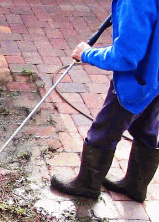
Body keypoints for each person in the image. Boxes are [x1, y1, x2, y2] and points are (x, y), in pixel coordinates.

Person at [51, 0, 159, 203]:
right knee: (147, 129)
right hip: (156, 78)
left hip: (137, 82)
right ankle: (135, 186)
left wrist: (87, 54)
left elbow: (126, 57)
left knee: (103, 131)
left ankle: (86, 185)